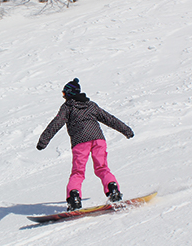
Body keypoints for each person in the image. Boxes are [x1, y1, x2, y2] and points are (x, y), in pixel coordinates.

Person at [36, 78, 134, 211]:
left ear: (69, 94)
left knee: (78, 172)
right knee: (102, 168)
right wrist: (126, 130)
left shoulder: (68, 107)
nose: (63, 96)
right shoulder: (91, 105)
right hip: (98, 139)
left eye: (64, 94)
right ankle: (113, 190)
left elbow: (56, 123)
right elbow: (109, 118)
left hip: (80, 142)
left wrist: (43, 141)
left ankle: (74, 199)